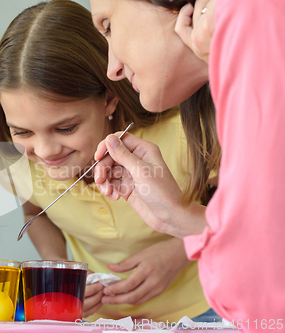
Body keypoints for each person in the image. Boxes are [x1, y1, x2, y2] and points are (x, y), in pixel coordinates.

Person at [0, 0, 214, 323]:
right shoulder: (11, 157)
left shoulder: (185, 131)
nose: (46, 150)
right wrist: (57, 266)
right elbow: (33, 212)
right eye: (22, 131)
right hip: (99, 322)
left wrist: (181, 250)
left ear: (109, 98)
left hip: (202, 310)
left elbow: (245, 215)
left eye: (65, 128)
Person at [91, 0, 285, 330]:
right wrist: (178, 217)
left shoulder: (251, 12)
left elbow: (263, 296)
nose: (113, 69)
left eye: (108, 26)